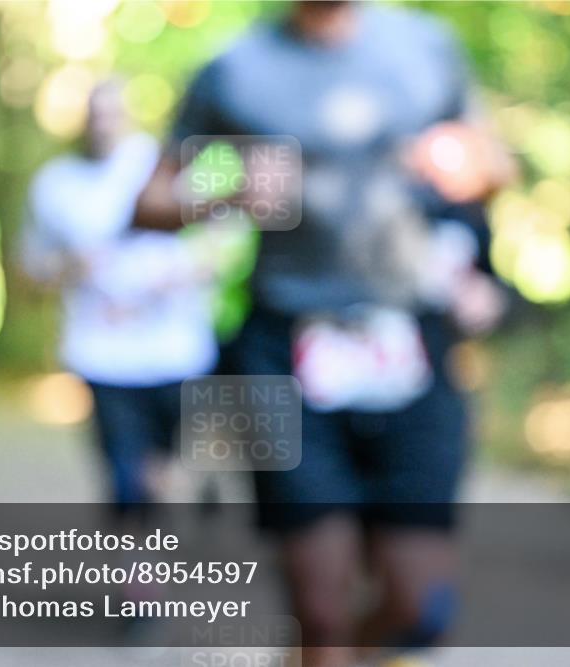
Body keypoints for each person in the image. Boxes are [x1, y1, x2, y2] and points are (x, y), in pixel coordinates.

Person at [132, 2, 509, 665]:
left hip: (411, 341)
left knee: (420, 608)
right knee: (320, 608)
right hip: (282, 346)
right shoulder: (233, 69)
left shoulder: (426, 46)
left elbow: (496, 167)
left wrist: (470, 168)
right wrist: (227, 189)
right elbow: (151, 203)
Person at [20, 80, 219, 508]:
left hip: (172, 351)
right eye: (96, 114)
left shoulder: (163, 167)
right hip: (101, 354)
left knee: (164, 471)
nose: (104, 124)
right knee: (124, 471)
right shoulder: (55, 186)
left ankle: (168, 525)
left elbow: (222, 238)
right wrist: (69, 267)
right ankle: (137, 566)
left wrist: (184, 273)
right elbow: (31, 271)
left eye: (113, 113)